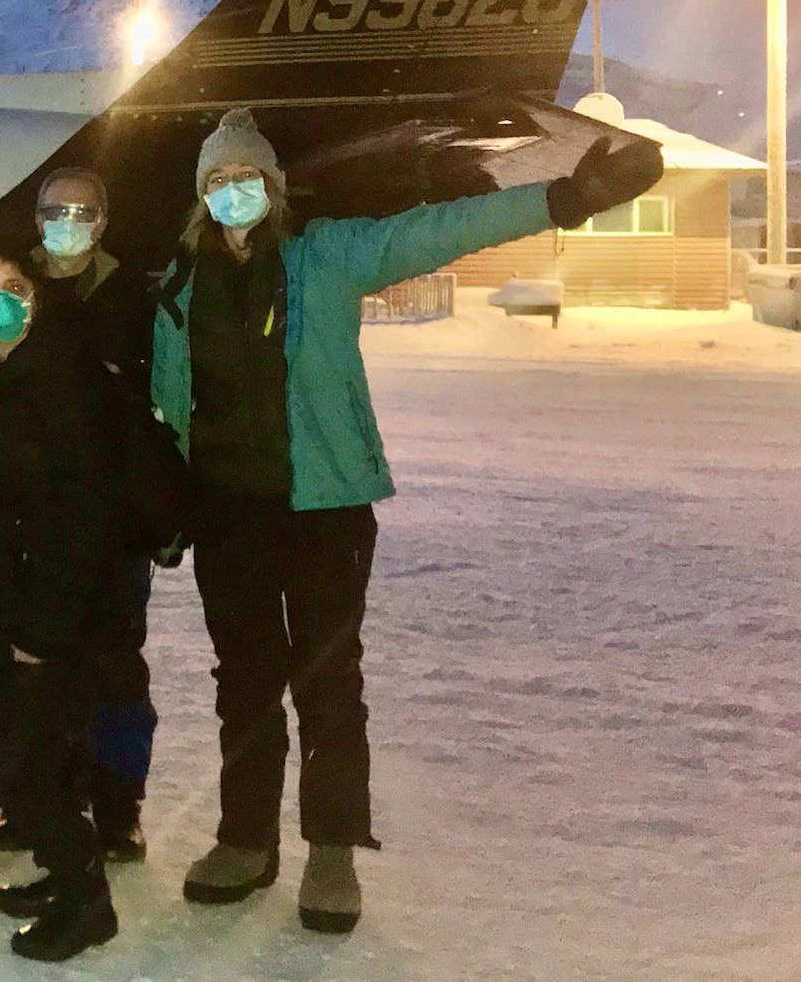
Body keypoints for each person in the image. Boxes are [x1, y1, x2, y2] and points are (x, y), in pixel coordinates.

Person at [157, 109, 662, 934]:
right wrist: (168, 506)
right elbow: (167, 406)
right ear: (200, 198)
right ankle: (246, 840)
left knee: (328, 681)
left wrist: (564, 199)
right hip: (227, 515)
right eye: (218, 182)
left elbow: (440, 230)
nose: (233, 192)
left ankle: (331, 848)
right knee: (244, 683)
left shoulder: (329, 255)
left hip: (325, 508)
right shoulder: (177, 289)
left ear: (274, 188)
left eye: (246, 178)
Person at [0, 247, 129, 963]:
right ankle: (62, 873)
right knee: (23, 754)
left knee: (12, 757)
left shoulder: (63, 378)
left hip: (39, 610)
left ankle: (87, 900)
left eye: (15, 287)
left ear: (37, 298)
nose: (2, 300)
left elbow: (82, 513)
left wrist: (41, 624)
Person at [0, 165, 158, 865]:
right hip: (29, 514)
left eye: (82, 211)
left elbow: (157, 403)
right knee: (29, 661)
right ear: (36, 217)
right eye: (56, 210)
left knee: (115, 664)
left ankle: (118, 807)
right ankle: (37, 799)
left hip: (112, 517)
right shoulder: (7, 291)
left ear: (105, 220)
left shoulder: (134, 296)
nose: (69, 222)